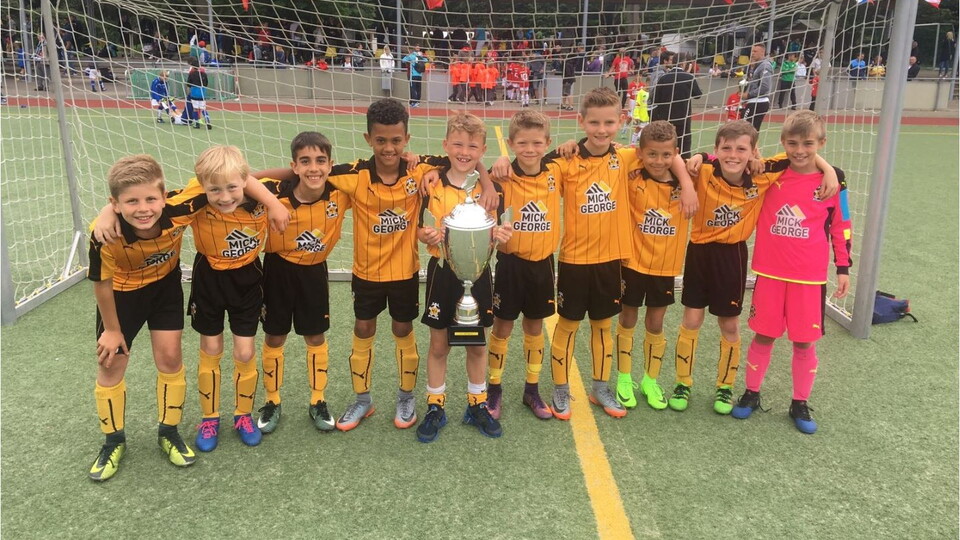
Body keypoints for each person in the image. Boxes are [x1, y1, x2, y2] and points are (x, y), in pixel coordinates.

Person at [254, 98, 496, 433]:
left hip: (405, 271)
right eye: (381, 140)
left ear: (406, 139)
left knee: (402, 329)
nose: (389, 147)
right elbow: (311, 172)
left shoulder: (420, 169)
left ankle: (406, 397)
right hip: (366, 273)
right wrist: (261, 189)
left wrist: (488, 182)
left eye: (396, 140)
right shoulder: (354, 175)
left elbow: (468, 159)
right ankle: (363, 399)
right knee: (363, 328)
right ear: (369, 139)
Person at [546, 88, 695, 420]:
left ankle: (600, 387)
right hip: (574, 260)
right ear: (581, 121)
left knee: (602, 326)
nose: (602, 130)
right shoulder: (567, 160)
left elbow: (672, 156)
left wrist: (686, 184)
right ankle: (560, 387)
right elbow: (532, 166)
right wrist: (503, 161)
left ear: (621, 121)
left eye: (609, 123)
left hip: (611, 261)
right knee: (568, 325)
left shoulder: (626, 157)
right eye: (594, 123)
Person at [677, 122, 839, 416]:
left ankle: (725, 387)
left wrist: (829, 170)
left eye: (741, 149)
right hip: (699, 253)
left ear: (754, 153)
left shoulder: (763, 173)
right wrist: (692, 177)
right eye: (726, 148)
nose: (733, 155)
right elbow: (676, 160)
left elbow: (799, 153)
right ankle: (682, 384)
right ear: (716, 150)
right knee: (691, 319)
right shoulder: (704, 169)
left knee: (729, 325)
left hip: (733, 256)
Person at [731, 111, 852, 434]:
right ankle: (752, 392)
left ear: (821, 143)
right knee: (764, 334)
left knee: (804, 342)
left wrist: (843, 267)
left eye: (808, 144)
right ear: (783, 142)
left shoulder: (835, 181)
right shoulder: (772, 171)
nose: (800, 150)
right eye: (793, 143)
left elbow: (842, 226)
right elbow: (738, 163)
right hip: (770, 273)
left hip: (809, 277)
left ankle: (799, 401)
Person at [86, 155, 197, 481]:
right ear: (115, 204)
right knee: (111, 363)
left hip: (165, 290)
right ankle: (113, 441)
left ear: (164, 196)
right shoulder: (104, 233)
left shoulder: (182, 207)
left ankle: (169, 432)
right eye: (131, 202)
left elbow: (229, 180)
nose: (143, 208)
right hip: (121, 297)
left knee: (170, 357)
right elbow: (102, 284)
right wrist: (112, 330)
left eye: (150, 199)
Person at [414, 113, 512, 443]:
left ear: (482, 150)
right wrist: (427, 235)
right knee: (439, 345)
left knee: (476, 344)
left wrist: (501, 234)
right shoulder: (431, 184)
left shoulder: (492, 190)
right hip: (442, 273)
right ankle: (435, 406)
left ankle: (477, 404)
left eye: (472, 146)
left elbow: (497, 234)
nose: (464, 152)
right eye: (457, 144)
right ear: (445, 146)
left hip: (478, 274)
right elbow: (420, 227)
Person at [254, 132, 352, 434]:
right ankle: (272, 401)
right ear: (293, 166)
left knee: (315, 336)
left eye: (321, 161)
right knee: (275, 337)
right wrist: (271, 201)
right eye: (305, 162)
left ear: (330, 165)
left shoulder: (340, 192)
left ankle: (318, 399)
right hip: (277, 271)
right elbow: (242, 178)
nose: (314, 168)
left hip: (313, 272)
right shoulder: (276, 193)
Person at [485, 111, 563, 420]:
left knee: (534, 326)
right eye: (522, 143)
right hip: (511, 264)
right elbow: (475, 177)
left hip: (542, 264)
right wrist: (495, 164)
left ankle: (532, 389)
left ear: (548, 143)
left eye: (537, 143)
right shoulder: (501, 174)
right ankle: (494, 388)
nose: (530, 149)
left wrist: (572, 144)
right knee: (502, 326)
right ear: (510, 143)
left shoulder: (556, 170)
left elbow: (581, 154)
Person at [613, 121, 691, 410]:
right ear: (640, 153)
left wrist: (687, 183)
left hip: (665, 267)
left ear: (676, 153)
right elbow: (604, 149)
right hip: (632, 262)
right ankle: (624, 378)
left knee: (655, 324)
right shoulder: (631, 172)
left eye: (666, 155)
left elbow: (704, 161)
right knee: (627, 318)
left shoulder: (687, 180)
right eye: (652, 154)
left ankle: (650, 380)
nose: (659, 161)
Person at [651, 51, 702, 159]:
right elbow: (698, 94)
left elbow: (656, 99)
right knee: (684, 143)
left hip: (666, 118)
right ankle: (684, 162)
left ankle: (665, 160)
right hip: (683, 117)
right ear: (684, 63)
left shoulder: (664, 78)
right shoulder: (689, 77)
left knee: (665, 141)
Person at [742, 44, 774, 132]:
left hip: (759, 101)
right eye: (752, 51)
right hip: (755, 101)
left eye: (755, 51)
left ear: (762, 52)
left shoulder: (765, 66)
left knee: (745, 129)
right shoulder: (757, 66)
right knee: (752, 131)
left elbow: (765, 87)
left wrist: (748, 95)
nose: (752, 53)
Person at [185, 57, 212, 129]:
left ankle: (197, 123)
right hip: (202, 93)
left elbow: (188, 84)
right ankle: (208, 121)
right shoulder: (204, 74)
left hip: (194, 93)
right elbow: (206, 83)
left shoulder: (192, 74)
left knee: (195, 109)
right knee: (203, 108)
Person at [560, 44, 585, 111]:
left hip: (568, 79)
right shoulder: (567, 63)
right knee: (564, 92)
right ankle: (563, 104)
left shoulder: (567, 64)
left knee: (567, 92)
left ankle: (570, 106)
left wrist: (566, 80)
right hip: (567, 79)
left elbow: (568, 73)